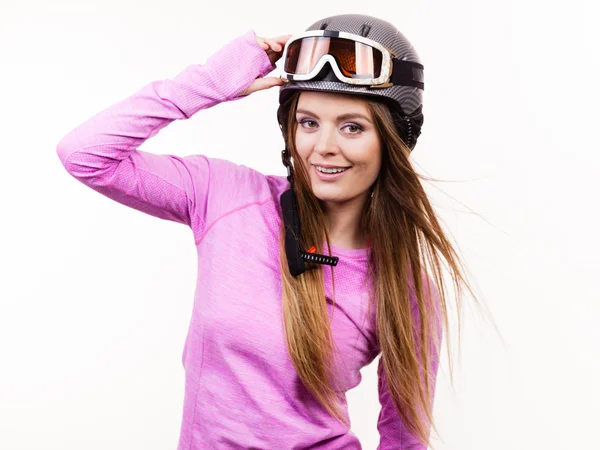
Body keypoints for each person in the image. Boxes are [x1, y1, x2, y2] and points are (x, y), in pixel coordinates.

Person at [57, 13, 476, 450]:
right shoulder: (225, 196)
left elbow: (404, 438)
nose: (323, 146)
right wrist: (214, 81)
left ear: (392, 140)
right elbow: (85, 154)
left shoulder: (406, 287)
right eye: (308, 122)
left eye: (352, 127)